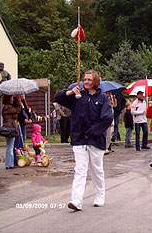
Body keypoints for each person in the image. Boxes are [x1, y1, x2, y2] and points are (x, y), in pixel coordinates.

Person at [54, 70, 113, 211]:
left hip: (96, 140)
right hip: (78, 139)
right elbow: (57, 98)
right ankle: (77, 200)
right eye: (84, 79)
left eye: (89, 80)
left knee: (96, 169)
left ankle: (100, 195)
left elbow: (107, 119)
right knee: (80, 170)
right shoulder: (77, 96)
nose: (86, 82)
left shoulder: (103, 99)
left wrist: (91, 132)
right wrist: (69, 92)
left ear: (95, 81)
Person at [2, 95, 21, 169]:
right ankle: (9, 164)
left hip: (8, 127)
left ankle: (8, 163)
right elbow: (17, 110)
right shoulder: (8, 108)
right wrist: (18, 100)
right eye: (11, 98)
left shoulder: (6, 108)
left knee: (9, 146)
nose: (12, 100)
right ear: (8, 99)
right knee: (10, 146)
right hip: (10, 128)